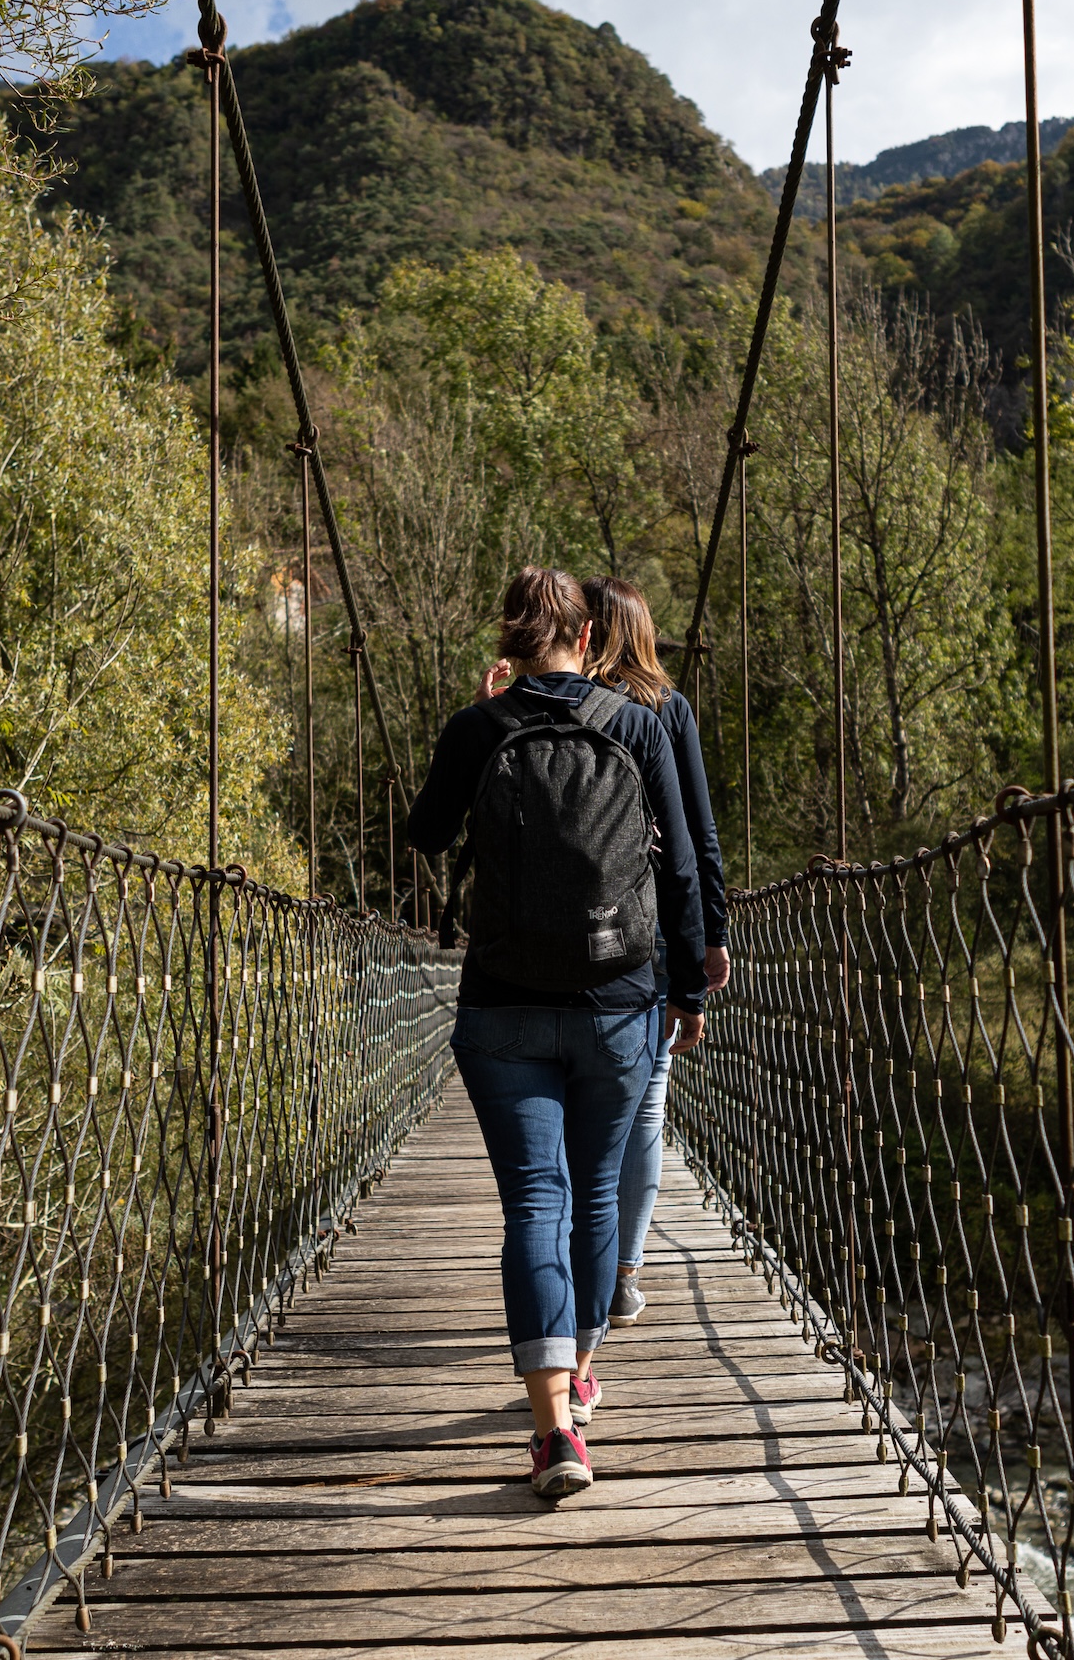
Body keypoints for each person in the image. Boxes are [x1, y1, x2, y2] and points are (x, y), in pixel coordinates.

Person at [404, 568, 710, 1499]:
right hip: (622, 1002)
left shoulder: (477, 727)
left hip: (501, 1005)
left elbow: (423, 834)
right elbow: (685, 868)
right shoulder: (638, 723)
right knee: (595, 1196)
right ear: (586, 638)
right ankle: (579, 1371)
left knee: (536, 1202)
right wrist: (688, 986)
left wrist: (476, 715)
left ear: (512, 637)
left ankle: (555, 1437)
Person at [578, 576, 730, 1333]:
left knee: (577, 1114)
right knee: (644, 1111)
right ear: (641, 630)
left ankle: (586, 1263)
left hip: (569, 946)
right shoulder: (668, 711)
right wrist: (710, 942)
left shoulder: (563, 708)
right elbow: (697, 841)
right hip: (653, 945)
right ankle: (625, 1274)